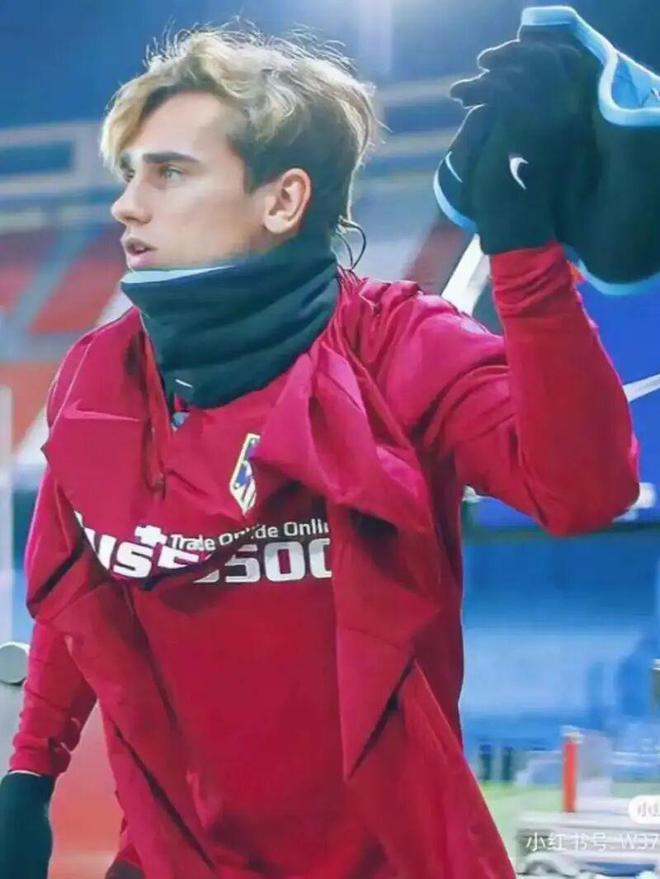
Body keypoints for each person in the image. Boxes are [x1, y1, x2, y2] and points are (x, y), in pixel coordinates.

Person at [0, 25, 639, 879]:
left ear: (282, 200)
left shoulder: (402, 344)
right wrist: (30, 772)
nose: (127, 204)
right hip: (171, 859)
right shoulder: (96, 375)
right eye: (130, 173)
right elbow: (80, 586)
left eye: (170, 172)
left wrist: (524, 251)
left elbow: (583, 490)